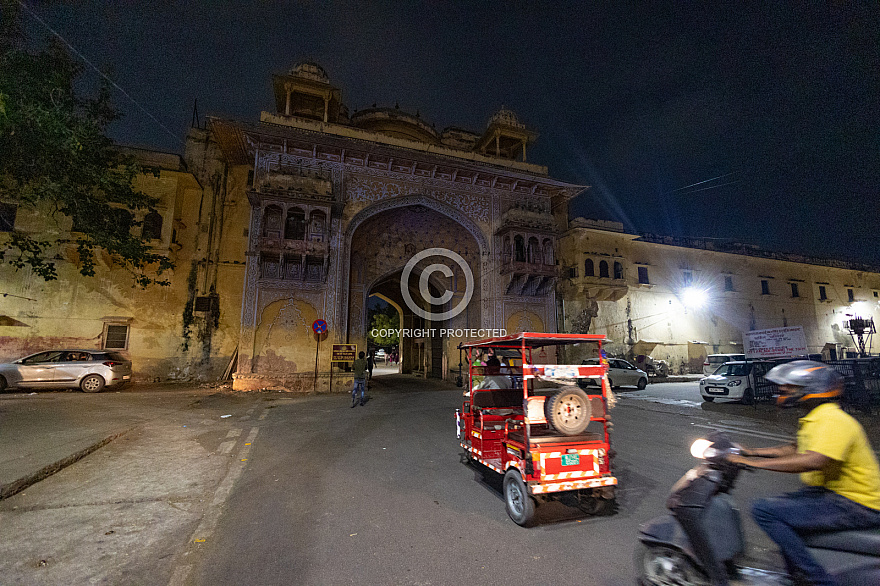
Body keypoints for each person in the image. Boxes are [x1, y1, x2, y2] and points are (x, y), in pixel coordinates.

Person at [727, 360, 880, 585]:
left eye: (790, 387)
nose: (783, 391)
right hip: (834, 493)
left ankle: (816, 579)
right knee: (778, 505)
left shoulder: (833, 420)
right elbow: (794, 449)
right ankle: (795, 573)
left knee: (764, 510)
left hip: (858, 503)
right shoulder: (817, 417)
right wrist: (750, 452)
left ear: (813, 389)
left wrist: (754, 463)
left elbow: (814, 460)